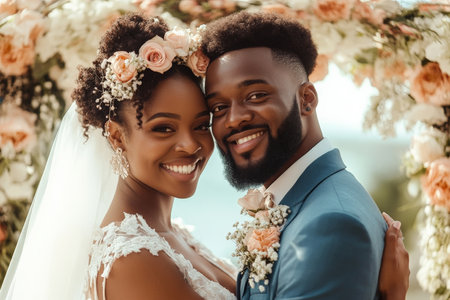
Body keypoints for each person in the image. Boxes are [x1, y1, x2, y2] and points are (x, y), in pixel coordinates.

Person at [0, 13, 407, 300]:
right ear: (117, 136)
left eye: (200, 123)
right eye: (163, 128)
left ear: (307, 98)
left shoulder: (173, 236)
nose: (191, 145)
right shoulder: (135, 259)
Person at [201, 11, 409, 300]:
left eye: (256, 96)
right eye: (219, 108)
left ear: (306, 99)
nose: (234, 120)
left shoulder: (331, 225)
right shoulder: (306, 199)